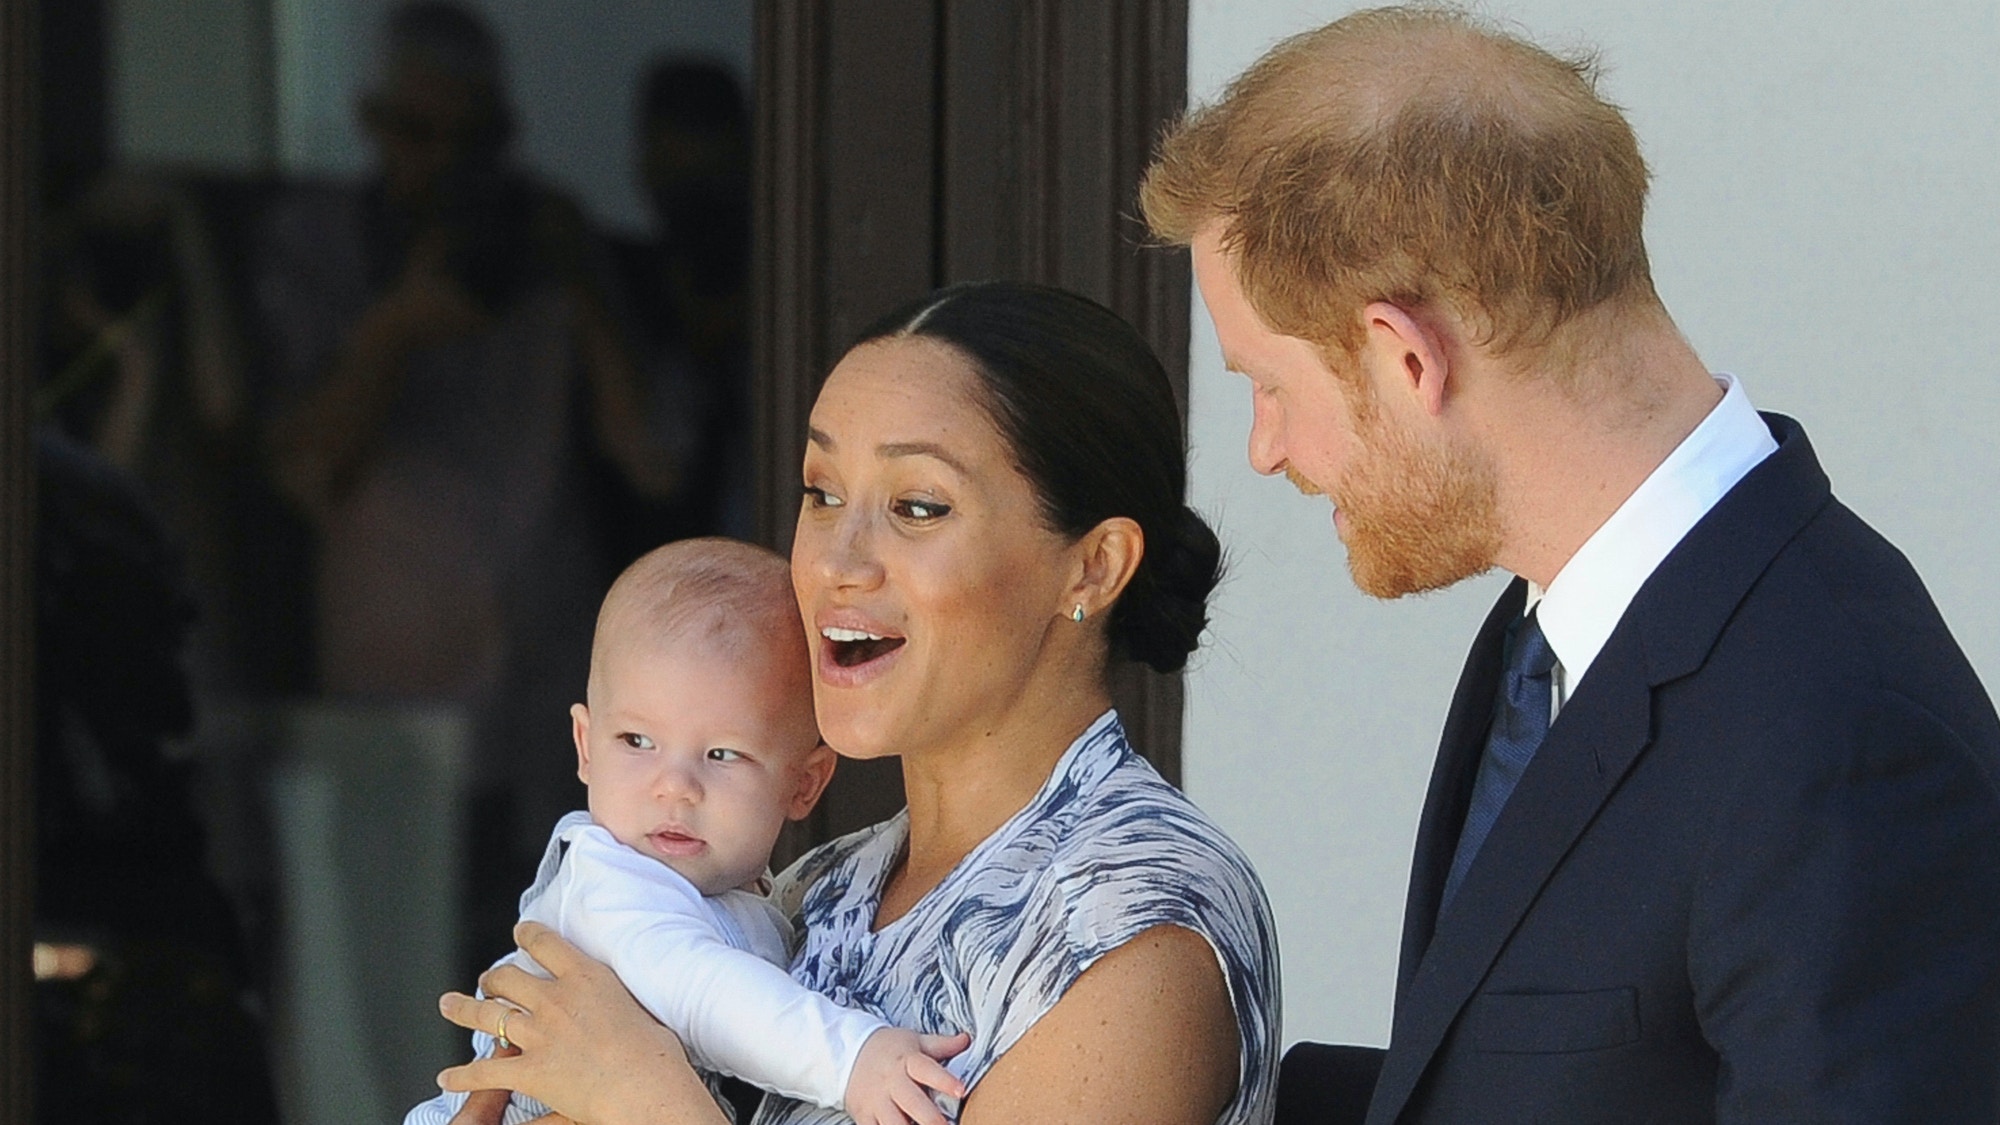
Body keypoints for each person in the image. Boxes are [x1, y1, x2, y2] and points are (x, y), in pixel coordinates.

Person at [1140, 7, 2000, 1124]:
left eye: (1268, 384)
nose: (1266, 451)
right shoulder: (1550, 631)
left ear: (1406, 359)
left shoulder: (1839, 732)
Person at [432, 281, 1281, 1125]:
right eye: (823, 493)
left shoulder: (1136, 929)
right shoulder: (809, 889)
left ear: (1092, 566)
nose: (839, 561)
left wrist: (643, 1100)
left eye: (917, 506)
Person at [251, 0, 671, 973]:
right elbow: (301, 464)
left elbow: (654, 453)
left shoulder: (547, 238)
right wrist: (395, 330)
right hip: (387, 715)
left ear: (505, 143)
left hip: (542, 709)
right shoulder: (319, 244)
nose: (439, 168)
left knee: (555, 990)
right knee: (400, 990)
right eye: (414, 133)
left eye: (468, 142)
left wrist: (579, 292)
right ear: (370, 122)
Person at [406, 538, 969, 1125]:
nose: (675, 787)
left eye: (722, 754)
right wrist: (852, 1059)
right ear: (585, 748)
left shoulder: (760, 893)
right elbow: (705, 996)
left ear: (805, 784)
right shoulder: (610, 885)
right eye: (637, 742)